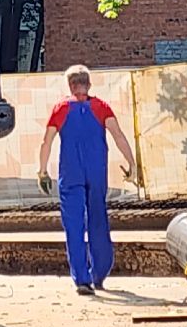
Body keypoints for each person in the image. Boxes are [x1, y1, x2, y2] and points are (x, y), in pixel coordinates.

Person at [36, 64, 139, 295]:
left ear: (70, 85)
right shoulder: (101, 107)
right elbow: (118, 135)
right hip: (96, 171)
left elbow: (47, 142)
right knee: (98, 220)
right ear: (89, 84)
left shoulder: (61, 109)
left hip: (71, 172)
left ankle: (82, 280)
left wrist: (42, 171)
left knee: (74, 225)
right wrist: (132, 163)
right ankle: (99, 273)